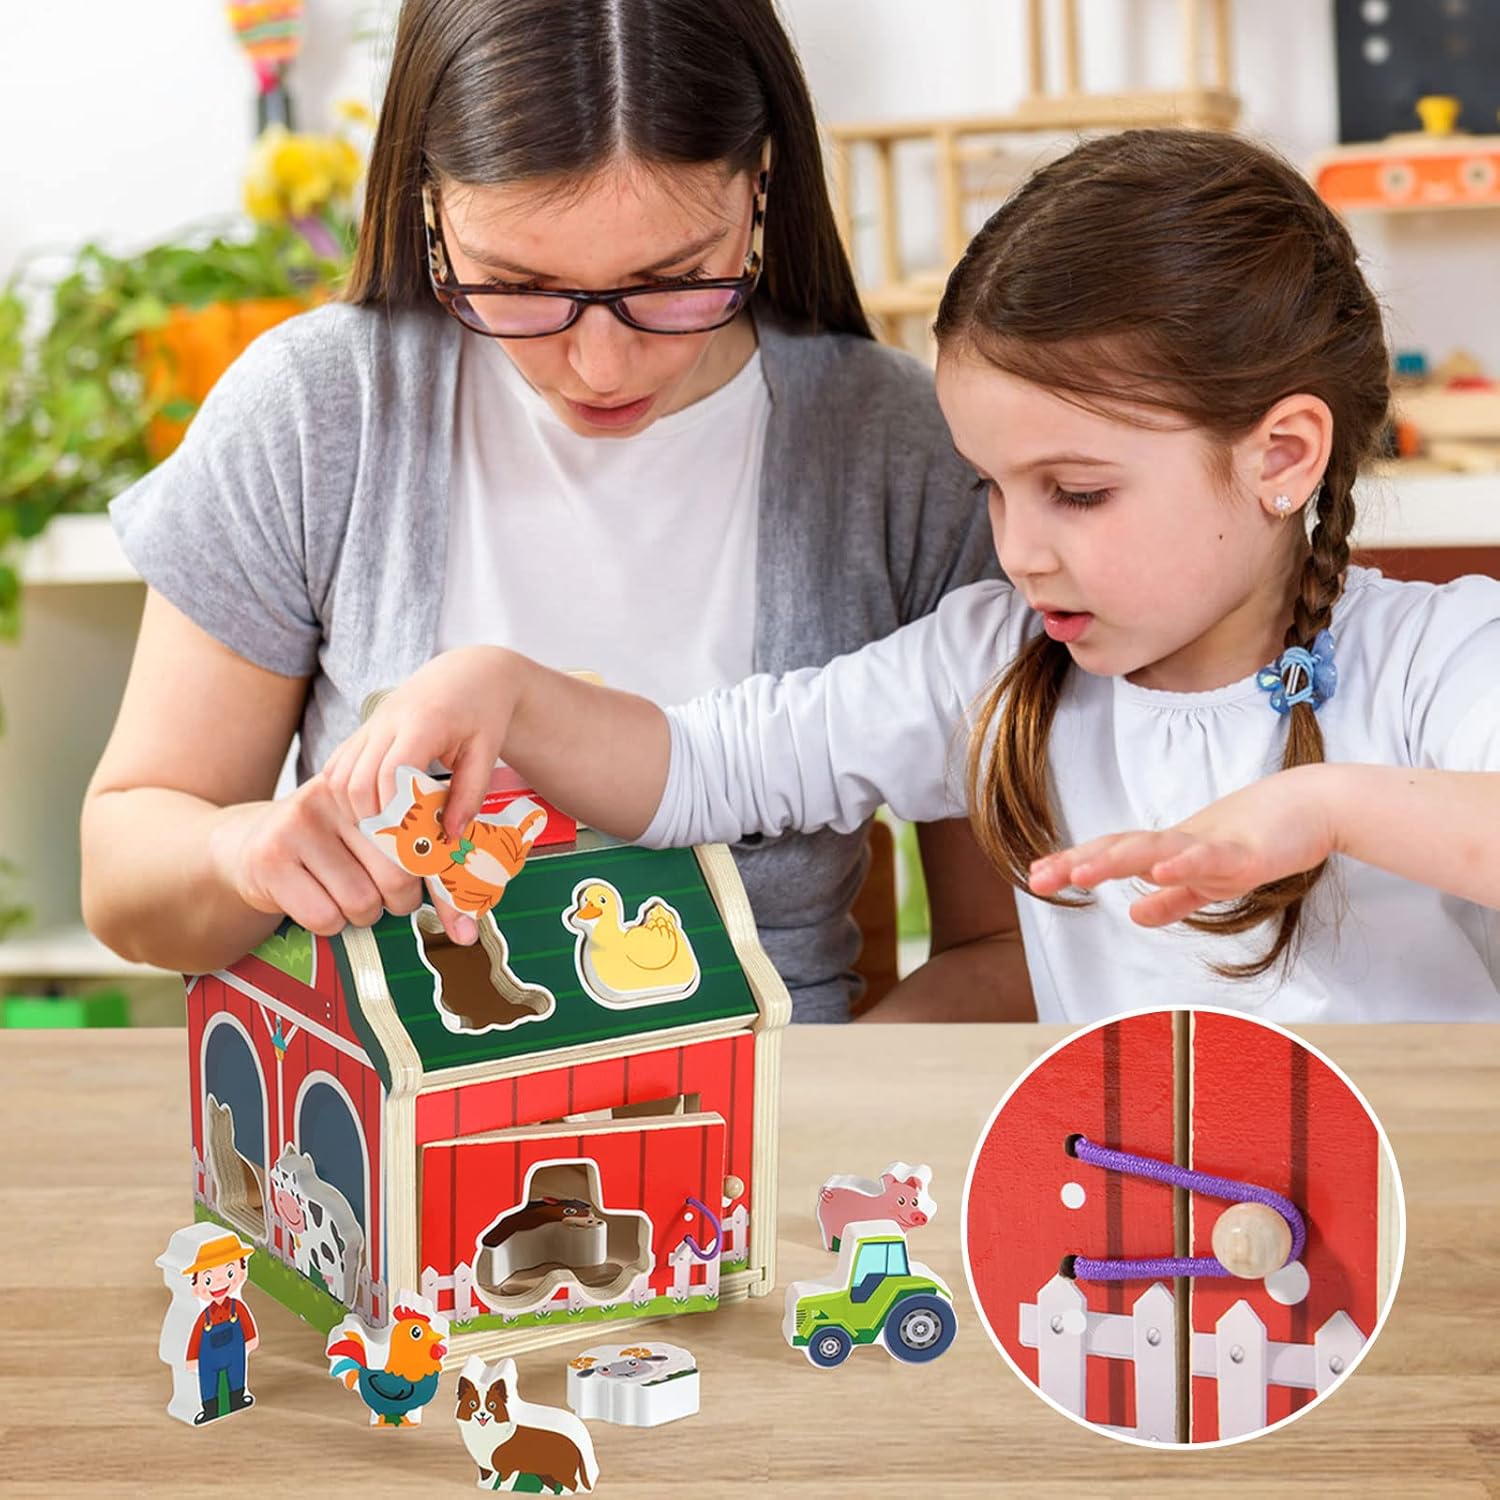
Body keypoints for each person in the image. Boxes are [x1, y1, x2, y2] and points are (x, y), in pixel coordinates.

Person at [318, 129, 1500, 1022]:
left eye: (1078, 492)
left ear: (1281, 458)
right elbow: (711, 765)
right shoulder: (992, 663)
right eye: (993, 487)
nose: (1018, 548)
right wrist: (504, 687)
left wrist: (1325, 807)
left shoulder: (1437, 659)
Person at [82, 0, 1027, 1023]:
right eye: (521, 287)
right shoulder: (320, 413)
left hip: (772, 1110)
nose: (601, 366)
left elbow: (1013, 946)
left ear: (761, 186)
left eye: (674, 281)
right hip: (403, 1110)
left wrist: (809, 1103)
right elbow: (125, 872)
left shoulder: (907, 451)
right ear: (430, 206)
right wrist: (243, 853)